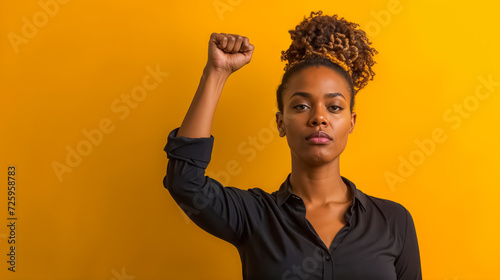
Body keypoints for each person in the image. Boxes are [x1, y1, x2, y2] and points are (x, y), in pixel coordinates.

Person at [163, 10, 422, 280]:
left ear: (351, 122)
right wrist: (216, 73)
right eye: (301, 106)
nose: (319, 117)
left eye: (334, 107)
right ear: (280, 122)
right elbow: (185, 182)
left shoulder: (394, 222)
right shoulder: (255, 217)